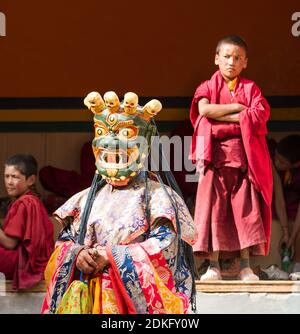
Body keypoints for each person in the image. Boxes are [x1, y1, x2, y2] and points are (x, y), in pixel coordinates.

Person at [42, 91, 196, 314]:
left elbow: (167, 246)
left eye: (124, 137)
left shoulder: (158, 197)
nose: (112, 147)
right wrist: (77, 254)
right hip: (90, 297)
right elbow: (64, 242)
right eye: (104, 135)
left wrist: (111, 256)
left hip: (127, 303)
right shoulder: (85, 199)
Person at [189, 35, 273, 281]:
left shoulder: (251, 88)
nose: (231, 62)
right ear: (216, 58)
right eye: (226, 56)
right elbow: (204, 111)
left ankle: (245, 266)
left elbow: (260, 116)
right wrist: (239, 110)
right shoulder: (207, 86)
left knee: (245, 211)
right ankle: (213, 266)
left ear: (245, 62)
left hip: (243, 159)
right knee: (214, 210)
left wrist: (219, 117)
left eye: (237, 58)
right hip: (214, 159)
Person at [0, 154, 54, 289]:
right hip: (34, 263)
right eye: (7, 176)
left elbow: (10, 243)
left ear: (30, 180)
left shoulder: (25, 203)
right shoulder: (32, 200)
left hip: (25, 264)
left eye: (15, 177)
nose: (9, 182)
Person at [271, 135, 300, 258]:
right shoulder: (273, 161)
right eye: (276, 158)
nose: (277, 163)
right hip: (280, 203)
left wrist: (292, 237)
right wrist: (285, 231)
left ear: (296, 164)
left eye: (282, 162)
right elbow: (279, 197)